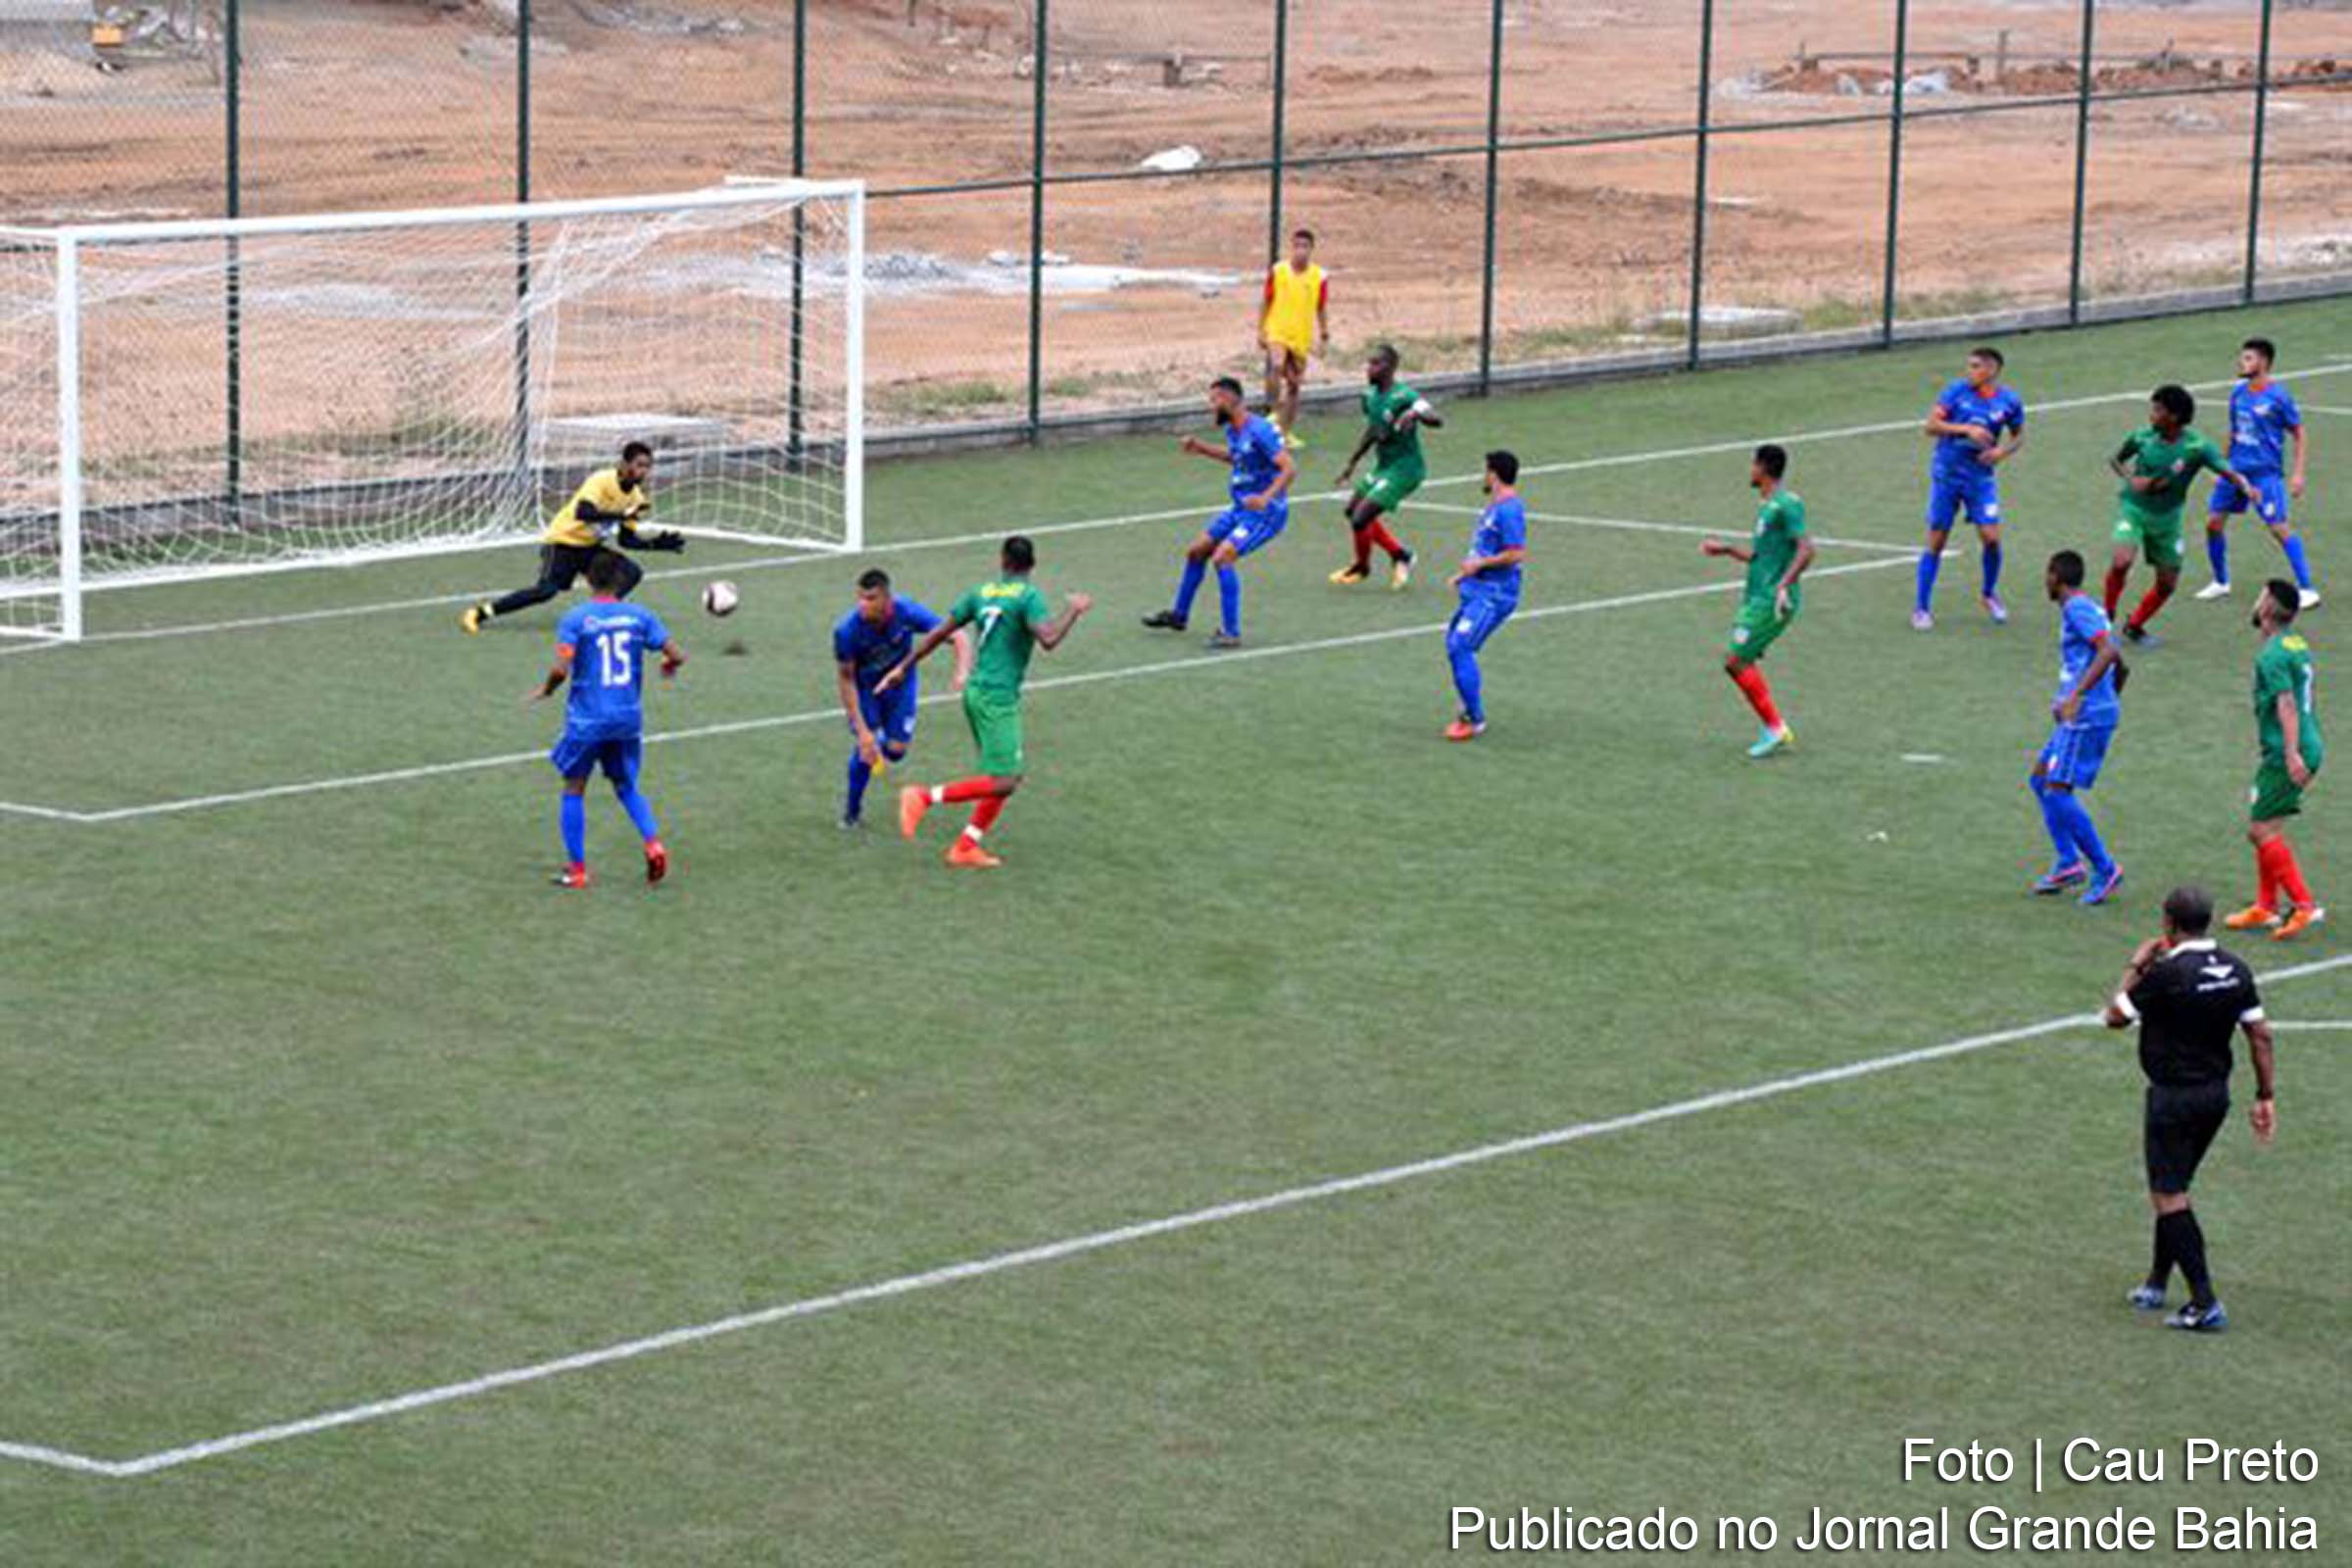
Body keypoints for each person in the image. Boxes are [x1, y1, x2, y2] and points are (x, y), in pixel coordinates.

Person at [2102, 886, 2277, 1333]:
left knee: (2169, 1194)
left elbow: (2115, 1016)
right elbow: (2260, 1035)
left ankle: (2204, 1301)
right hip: (2215, 1096)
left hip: (2173, 1097)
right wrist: (2264, 1096)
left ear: (2168, 923)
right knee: (2176, 1185)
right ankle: (2157, 1282)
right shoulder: (2236, 969)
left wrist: (2136, 965)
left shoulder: (2166, 973)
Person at [880, 536, 1092, 868]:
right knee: (1005, 780)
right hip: (996, 698)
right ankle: (922, 797)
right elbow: (1049, 638)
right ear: (1031, 565)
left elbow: (938, 633)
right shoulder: (1028, 596)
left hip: (975, 692)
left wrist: (902, 668)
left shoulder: (980, 592)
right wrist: (1074, 610)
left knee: (1002, 776)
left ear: (1003, 561)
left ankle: (965, 847)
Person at [527, 551, 684, 890]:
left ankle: (578, 870)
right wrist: (669, 667)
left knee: (574, 787)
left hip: (588, 720)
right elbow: (675, 654)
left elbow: (560, 668)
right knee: (626, 786)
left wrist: (548, 690)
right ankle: (653, 843)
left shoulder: (577, 618)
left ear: (587, 579)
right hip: (627, 718)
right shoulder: (640, 616)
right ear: (620, 581)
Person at [462, 442, 685, 632]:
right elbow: (583, 512)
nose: (644, 471)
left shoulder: (637, 499)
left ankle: (597, 614)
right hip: (562, 542)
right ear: (625, 465)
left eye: (648, 467)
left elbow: (626, 540)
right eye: (639, 465)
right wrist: (620, 514)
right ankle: (480, 613)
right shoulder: (601, 480)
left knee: (632, 572)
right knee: (545, 591)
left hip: (589, 549)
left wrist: (657, 543)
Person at [1142, 377, 1296, 649]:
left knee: (1223, 557)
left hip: (1265, 513)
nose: (1211, 406)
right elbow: (1236, 457)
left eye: (1214, 400)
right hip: (1239, 509)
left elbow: (1288, 468)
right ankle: (1179, 615)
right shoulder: (1234, 431)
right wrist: (1201, 448)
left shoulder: (1260, 430)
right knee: (1196, 551)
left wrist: (1265, 498)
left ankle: (1231, 632)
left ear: (1229, 399)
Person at [2103, 386, 2252, 647]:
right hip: (2134, 509)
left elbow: (2225, 469)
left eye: (2158, 410)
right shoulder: (2142, 437)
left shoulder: (2196, 446)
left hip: (2168, 519)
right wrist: (2132, 480)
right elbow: (2115, 459)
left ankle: (2135, 625)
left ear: (2174, 417)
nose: (2152, 415)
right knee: (2121, 561)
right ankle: (2105, 618)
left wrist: (2247, 487)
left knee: (2167, 584)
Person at [2225, 579, 2326, 940]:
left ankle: (2303, 906)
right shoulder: (2293, 643)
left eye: (2260, 597)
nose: (2255, 602)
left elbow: (2286, 703)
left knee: (2260, 830)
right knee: (2268, 826)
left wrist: (2290, 753)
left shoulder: (2272, 655)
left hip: (2291, 749)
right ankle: (2265, 907)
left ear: (2267, 608)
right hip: (2296, 745)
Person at [833, 568, 971, 829]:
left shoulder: (906, 611)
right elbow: (846, 679)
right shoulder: (847, 631)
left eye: (871, 598)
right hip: (867, 691)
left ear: (887, 599)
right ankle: (851, 813)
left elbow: (957, 635)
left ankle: (879, 740)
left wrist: (961, 671)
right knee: (868, 750)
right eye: (860, 597)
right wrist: (863, 731)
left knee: (896, 752)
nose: (863, 604)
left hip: (901, 685)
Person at [1701, 444, 1813, 759]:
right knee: (1738, 661)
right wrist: (1726, 550)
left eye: (1753, 464)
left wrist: (1784, 583)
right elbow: (1761, 556)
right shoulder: (1767, 507)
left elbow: (1807, 549)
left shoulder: (1786, 505)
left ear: (1764, 468)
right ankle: (1773, 727)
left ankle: (1775, 728)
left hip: (1773, 600)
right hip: (1757, 598)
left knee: (1735, 660)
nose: (1750, 470)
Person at [2030, 550, 2128, 906]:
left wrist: (2080, 697)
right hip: (2087, 712)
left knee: (2057, 791)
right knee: (2040, 778)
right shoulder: (2087, 608)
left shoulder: (2076, 608)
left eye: (2048, 573)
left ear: (2057, 576)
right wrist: (2106, 699)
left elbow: (2108, 649)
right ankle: (2069, 862)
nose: (2046, 581)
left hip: (2083, 717)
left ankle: (2105, 867)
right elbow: (2119, 662)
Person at [2197, 338, 2318, 609]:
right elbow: (2234, 430)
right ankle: (2220, 582)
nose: (2242, 362)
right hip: (2236, 472)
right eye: (2243, 357)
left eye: (2249, 358)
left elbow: (2299, 432)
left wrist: (2298, 474)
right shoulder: (2238, 393)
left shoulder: (2279, 397)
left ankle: (2308, 588)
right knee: (2213, 524)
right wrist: (2221, 466)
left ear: (2263, 362)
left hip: (2265, 475)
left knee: (2279, 528)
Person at [1913, 346, 2026, 631]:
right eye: (1969, 365)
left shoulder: (2009, 401)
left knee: (1991, 538)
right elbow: (1930, 425)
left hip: (1980, 479)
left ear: (1991, 370)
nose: (1969, 371)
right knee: (1936, 541)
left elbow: (2019, 435)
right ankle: (1921, 608)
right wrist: (1965, 430)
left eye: (1975, 366)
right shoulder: (1955, 392)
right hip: (1947, 476)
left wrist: (2002, 452)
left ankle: (1989, 594)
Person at [1331, 344, 1439, 590]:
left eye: (1375, 363)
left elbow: (1435, 418)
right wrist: (1352, 462)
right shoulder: (1368, 396)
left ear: (1390, 367)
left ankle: (1362, 567)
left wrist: (1415, 415)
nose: (1369, 368)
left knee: (1360, 518)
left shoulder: (1405, 396)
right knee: (1353, 511)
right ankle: (1400, 554)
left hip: (1406, 469)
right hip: (1384, 466)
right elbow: (1373, 429)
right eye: (1369, 363)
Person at [1443, 450, 1529, 742]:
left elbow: (1516, 553)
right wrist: (1464, 574)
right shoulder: (1495, 506)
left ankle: (1474, 718)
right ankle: (1469, 707)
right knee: (1454, 643)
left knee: (1460, 646)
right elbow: (1484, 547)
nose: (1483, 475)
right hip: (1478, 589)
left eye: (1485, 470)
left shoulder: (1509, 510)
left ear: (1493, 474)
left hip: (1495, 594)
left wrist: (1479, 565)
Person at [1257, 226, 1328, 446]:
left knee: (1295, 386)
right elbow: (1266, 300)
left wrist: (1324, 332)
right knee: (1277, 365)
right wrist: (1260, 329)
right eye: (1297, 246)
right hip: (1277, 330)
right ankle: (1274, 409)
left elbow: (1321, 306)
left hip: (1300, 337)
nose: (1300, 251)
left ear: (1311, 249)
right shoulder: (1278, 271)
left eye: (1305, 247)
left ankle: (1285, 432)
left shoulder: (1319, 276)